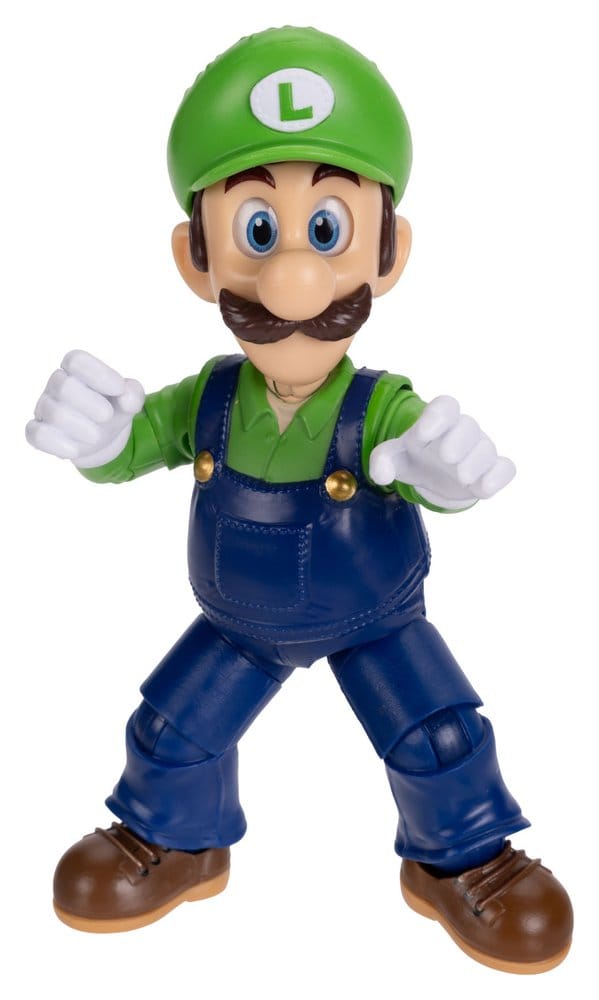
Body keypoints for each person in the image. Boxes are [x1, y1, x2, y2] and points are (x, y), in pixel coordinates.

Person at [25, 26, 572, 973]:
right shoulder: (207, 397)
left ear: (388, 253)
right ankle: (178, 840)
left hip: (376, 619)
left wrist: (441, 477)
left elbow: (422, 457)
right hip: (237, 621)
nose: (290, 280)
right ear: (196, 257)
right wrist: (103, 442)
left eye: (326, 231)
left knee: (439, 736)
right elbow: (135, 443)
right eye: (255, 232)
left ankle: (459, 859)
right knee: (169, 729)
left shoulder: (380, 405)